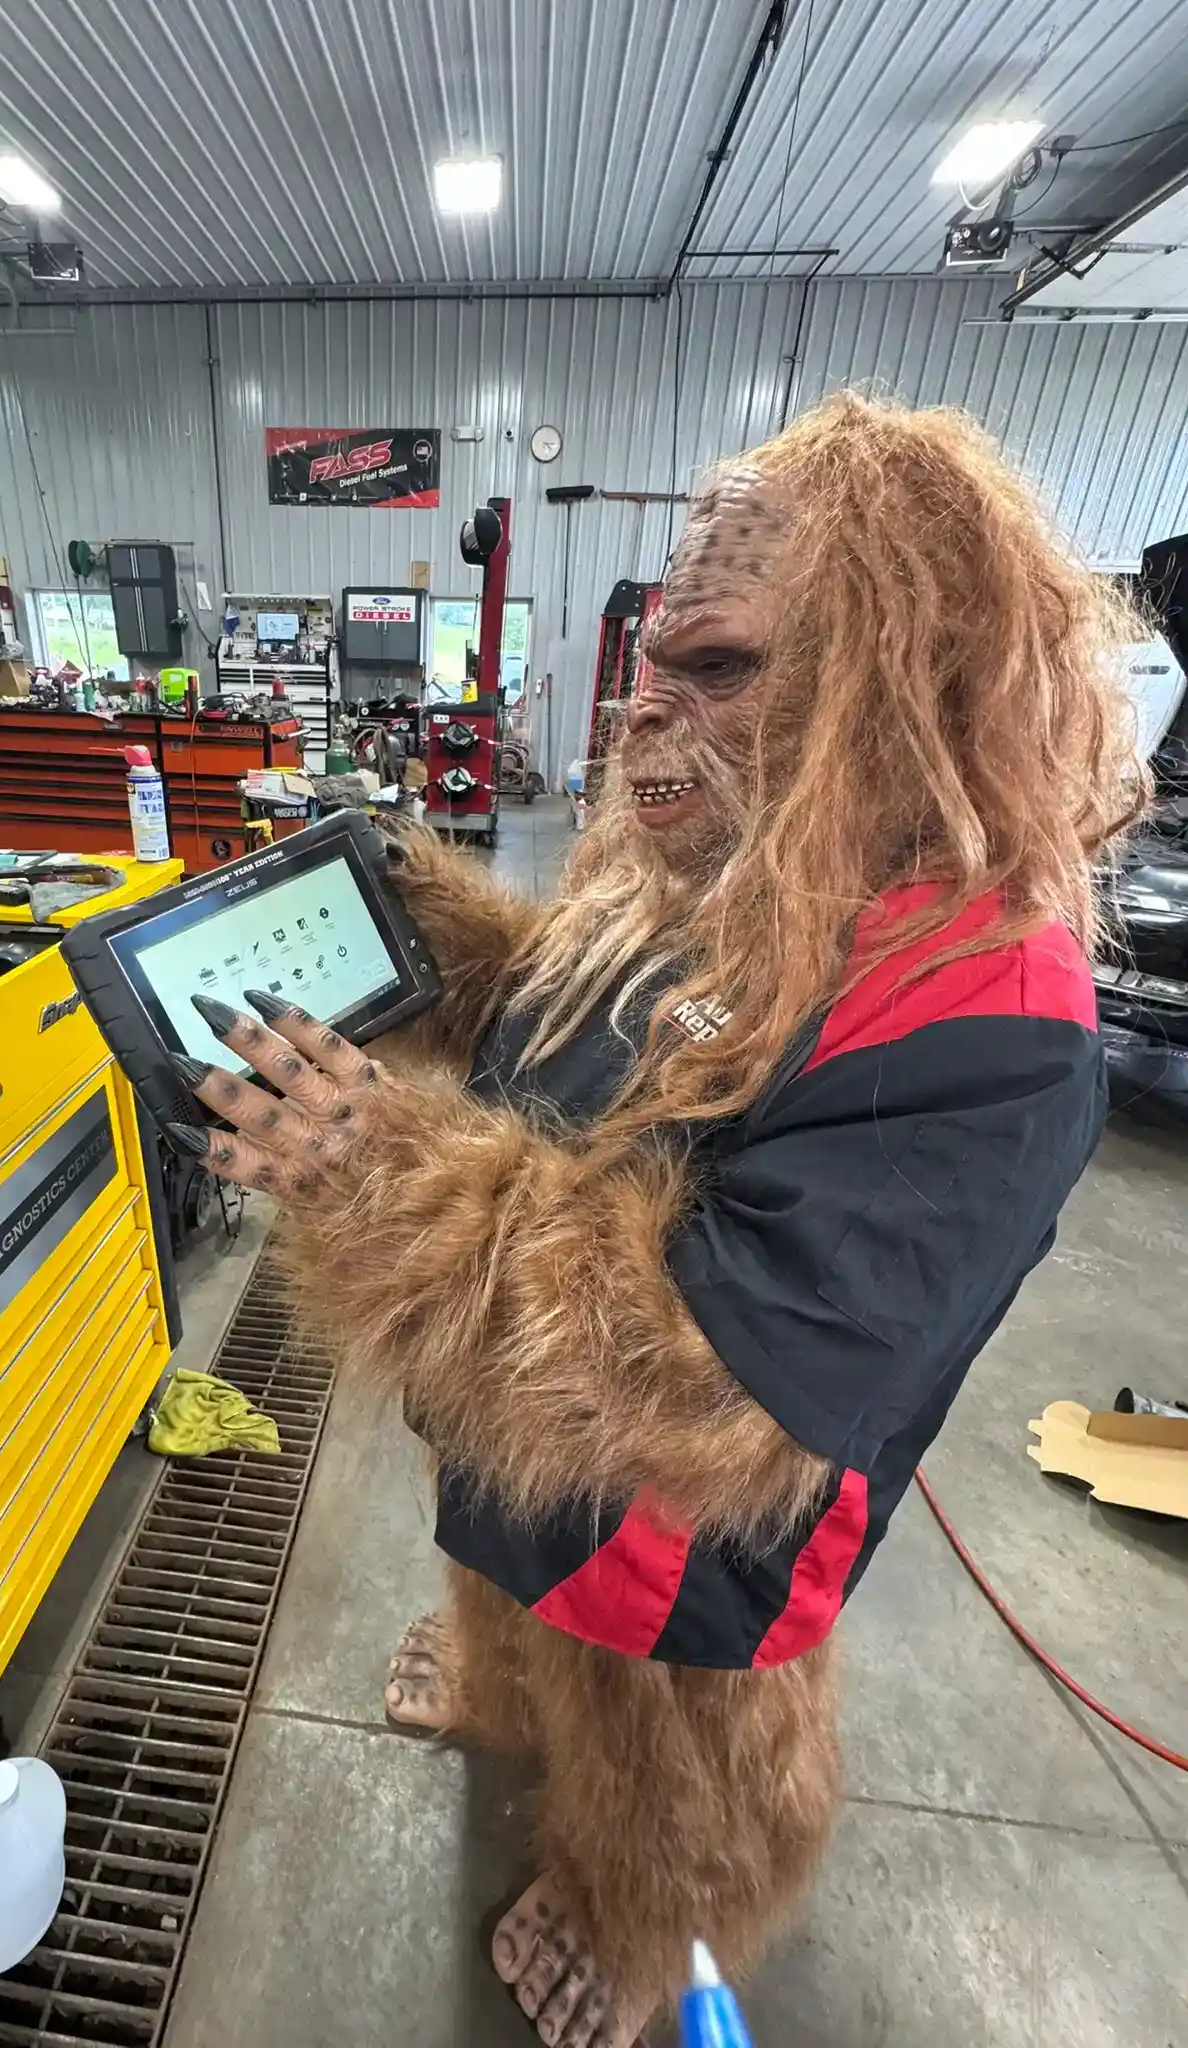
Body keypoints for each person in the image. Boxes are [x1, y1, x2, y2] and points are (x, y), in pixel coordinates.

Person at [162, 392, 1143, 2048]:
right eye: (650, 660)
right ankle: (494, 1685)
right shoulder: (720, 853)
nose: (638, 720)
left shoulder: (990, 1001)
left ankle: (649, 1921)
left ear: (907, 679)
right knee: (500, 1573)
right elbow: (576, 1028)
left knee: (668, 1739)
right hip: (511, 1446)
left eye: (721, 670)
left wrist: (368, 1168)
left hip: (691, 1543)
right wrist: (417, 929)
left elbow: (715, 1377)